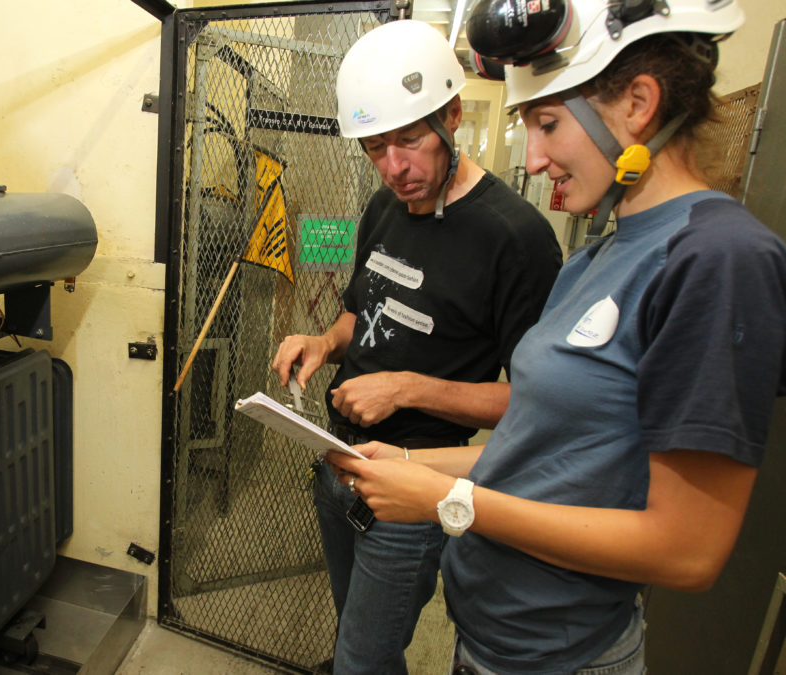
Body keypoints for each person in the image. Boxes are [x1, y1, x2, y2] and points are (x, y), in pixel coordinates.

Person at [326, 1, 786, 673]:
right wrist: (403, 464)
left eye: (547, 124)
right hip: (489, 639)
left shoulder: (716, 259)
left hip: (561, 655)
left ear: (638, 102)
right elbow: (539, 457)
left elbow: (686, 551)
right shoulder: (597, 255)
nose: (533, 160)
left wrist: (450, 503)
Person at [270, 19, 562, 675]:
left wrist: (405, 388)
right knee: (355, 636)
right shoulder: (383, 208)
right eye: (376, 148)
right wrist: (324, 342)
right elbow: (358, 315)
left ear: (453, 116)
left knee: (364, 660)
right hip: (340, 461)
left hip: (416, 485)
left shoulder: (517, 239)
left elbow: (535, 405)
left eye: (410, 140)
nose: (395, 167)